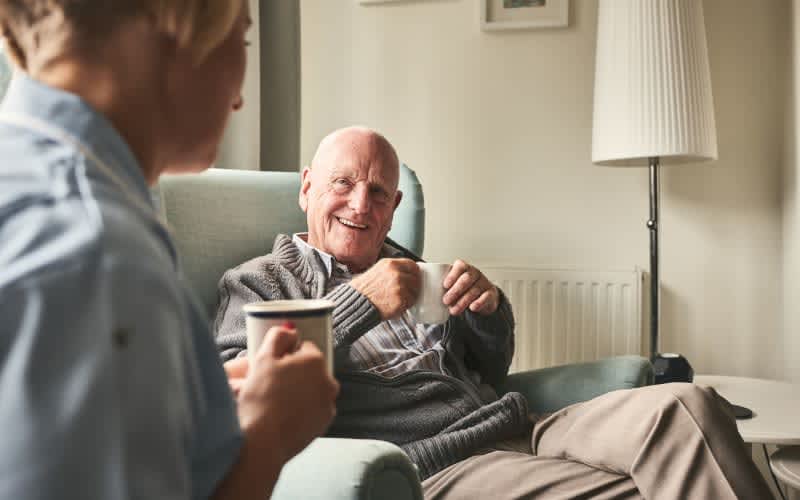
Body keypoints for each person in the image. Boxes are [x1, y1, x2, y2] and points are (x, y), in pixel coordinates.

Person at [215, 126, 774, 499]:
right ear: (307, 188)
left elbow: (490, 367)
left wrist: (485, 311)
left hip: (519, 423)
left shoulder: (413, 268)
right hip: (436, 463)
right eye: (343, 184)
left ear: (393, 210)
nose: (361, 204)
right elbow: (243, 393)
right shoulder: (259, 280)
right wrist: (364, 301)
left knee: (686, 407)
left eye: (379, 192)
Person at [0, 2, 338, 499]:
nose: (241, 98)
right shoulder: (102, 262)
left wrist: (186, 392)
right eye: (240, 39)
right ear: (172, 25)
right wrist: (270, 432)